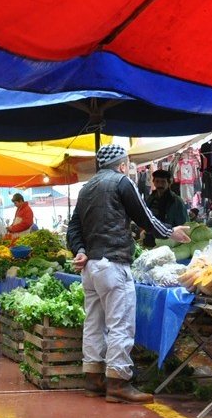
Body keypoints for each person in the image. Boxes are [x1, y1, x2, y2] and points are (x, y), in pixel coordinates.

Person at [67, 144, 191, 404]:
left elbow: (73, 229)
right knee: (120, 324)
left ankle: (93, 379)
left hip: (90, 268)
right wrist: (170, 231)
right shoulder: (122, 182)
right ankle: (118, 383)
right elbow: (144, 216)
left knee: (94, 324)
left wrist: (79, 250)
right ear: (122, 164)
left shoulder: (86, 189)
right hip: (113, 264)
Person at [141, 169, 187, 247]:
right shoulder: (151, 199)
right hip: (150, 239)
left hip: (169, 241)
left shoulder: (176, 201)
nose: (160, 185)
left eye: (163, 182)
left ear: (169, 183)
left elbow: (183, 224)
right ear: (153, 182)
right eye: (157, 181)